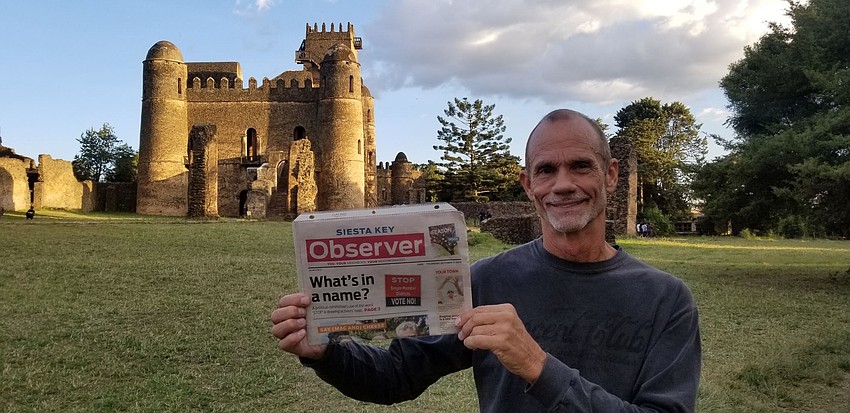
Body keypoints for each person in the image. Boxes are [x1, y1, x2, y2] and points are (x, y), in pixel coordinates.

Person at [271, 109, 701, 412]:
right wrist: (326, 354)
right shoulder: (486, 281)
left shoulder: (666, 300)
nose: (563, 184)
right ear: (528, 184)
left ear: (610, 174)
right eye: (546, 170)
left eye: (581, 166)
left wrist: (538, 366)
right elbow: (397, 374)